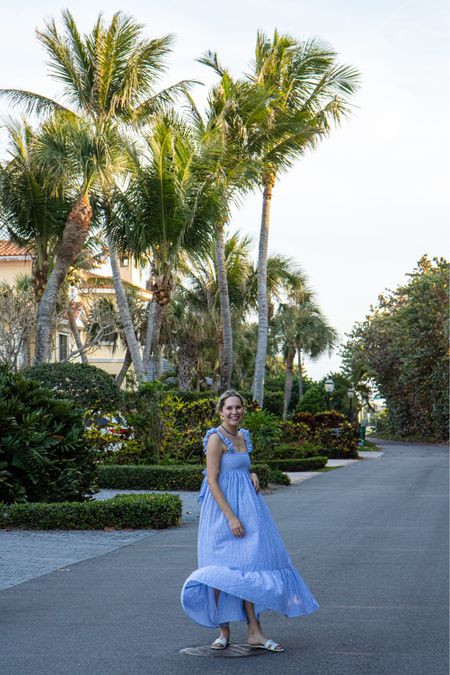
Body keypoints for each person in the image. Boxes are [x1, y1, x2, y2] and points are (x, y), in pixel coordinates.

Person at [180, 390, 319, 652]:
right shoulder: (215, 438)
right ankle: (223, 631)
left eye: (238, 407)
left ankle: (255, 632)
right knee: (219, 570)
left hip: (249, 510)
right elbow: (212, 480)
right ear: (221, 412)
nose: (235, 412)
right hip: (222, 513)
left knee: (249, 568)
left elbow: (239, 466)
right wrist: (230, 516)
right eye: (229, 408)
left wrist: (251, 473)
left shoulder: (243, 436)